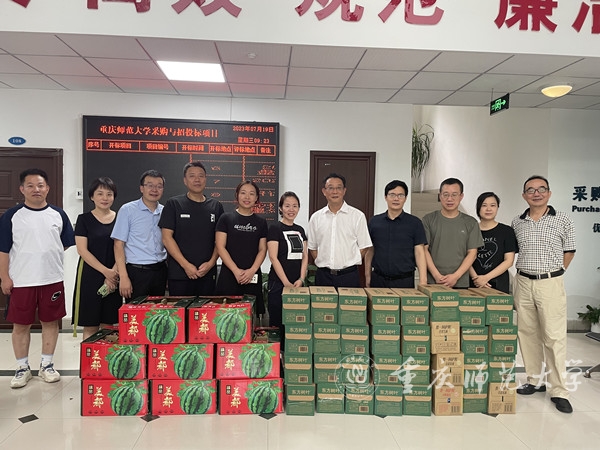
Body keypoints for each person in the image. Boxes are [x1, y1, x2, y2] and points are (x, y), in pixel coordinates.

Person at [0, 168, 75, 388]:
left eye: (40, 185)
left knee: (50, 323)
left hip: (52, 279)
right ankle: (22, 368)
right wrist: (4, 277)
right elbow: (3, 250)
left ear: (47, 188)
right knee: (20, 325)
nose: (36, 189)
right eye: (30, 185)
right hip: (21, 280)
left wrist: (45, 255)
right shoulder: (11, 216)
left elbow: (65, 243)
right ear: (22, 189)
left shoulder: (58, 214)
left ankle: (47, 365)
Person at [512, 175, 576, 414]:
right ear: (524, 195)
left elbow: (570, 250)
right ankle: (534, 380)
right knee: (527, 333)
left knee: (554, 336)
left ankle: (559, 390)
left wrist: (557, 273)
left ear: (549, 193)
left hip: (550, 282)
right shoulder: (517, 222)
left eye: (541, 189)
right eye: (530, 190)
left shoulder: (562, 219)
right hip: (523, 281)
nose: (536, 193)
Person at [159, 161, 224, 296]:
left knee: (205, 309)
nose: (197, 179)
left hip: (207, 273)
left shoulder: (216, 206)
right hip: (180, 273)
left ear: (205, 179)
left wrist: (211, 263)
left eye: (201, 176)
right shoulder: (174, 204)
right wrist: (186, 265)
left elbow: (220, 241)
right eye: (192, 176)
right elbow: (166, 238)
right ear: (185, 180)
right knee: (180, 309)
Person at [72, 177, 121, 340]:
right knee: (90, 324)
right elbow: (82, 250)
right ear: (92, 196)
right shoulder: (83, 219)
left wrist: (113, 272)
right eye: (100, 194)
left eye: (109, 194)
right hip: (90, 274)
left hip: (115, 273)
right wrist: (106, 272)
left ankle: (106, 356)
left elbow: (124, 248)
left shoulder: (121, 218)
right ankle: (90, 356)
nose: (105, 198)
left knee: (109, 324)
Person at [308, 173, 372, 288]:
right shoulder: (316, 217)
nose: (335, 192)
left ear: (344, 191)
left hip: (349, 276)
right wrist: (323, 261)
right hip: (323, 276)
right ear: (324, 191)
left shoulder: (357, 216)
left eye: (338, 188)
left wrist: (351, 260)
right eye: (330, 188)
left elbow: (364, 246)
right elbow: (312, 247)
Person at [111, 170, 167, 302]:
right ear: (142, 188)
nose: (154, 190)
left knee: (158, 311)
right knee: (135, 312)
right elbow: (118, 245)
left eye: (159, 186)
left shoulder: (165, 211)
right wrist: (124, 277)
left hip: (160, 270)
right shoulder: (128, 210)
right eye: (150, 185)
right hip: (137, 272)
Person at [215, 181, 268, 316]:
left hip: (252, 276)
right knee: (226, 315)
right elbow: (220, 247)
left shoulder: (261, 222)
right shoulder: (226, 218)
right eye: (243, 193)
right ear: (237, 195)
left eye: (251, 194)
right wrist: (236, 271)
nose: (247, 197)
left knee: (251, 316)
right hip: (229, 275)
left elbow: (262, 249)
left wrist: (252, 271)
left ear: (256, 198)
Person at [422, 177, 483, 289]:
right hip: (433, 281)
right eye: (445, 195)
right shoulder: (428, 220)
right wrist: (437, 276)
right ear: (440, 196)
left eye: (454, 195)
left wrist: (455, 276)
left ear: (461, 196)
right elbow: (424, 250)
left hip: (460, 282)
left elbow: (472, 253)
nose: (449, 199)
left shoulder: (471, 222)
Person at [365, 180, 427, 288]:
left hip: (404, 281)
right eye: (392, 195)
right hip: (378, 280)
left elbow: (419, 252)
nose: (396, 199)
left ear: (405, 198)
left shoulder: (415, 223)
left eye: (400, 195)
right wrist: (367, 275)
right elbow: (370, 250)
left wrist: (423, 280)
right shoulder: (374, 222)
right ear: (385, 197)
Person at [267, 192, 308, 328]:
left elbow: (305, 256)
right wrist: (285, 282)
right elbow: (273, 257)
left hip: (297, 283)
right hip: (278, 283)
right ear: (280, 208)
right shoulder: (275, 228)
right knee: (277, 322)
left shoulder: (300, 230)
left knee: (295, 322)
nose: (291, 209)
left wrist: (301, 279)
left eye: (295, 206)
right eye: (287, 206)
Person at [468, 192, 517, 294]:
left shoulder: (507, 231)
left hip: (499, 283)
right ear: (478, 208)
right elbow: (465, 257)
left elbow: (509, 261)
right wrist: (476, 278)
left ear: (497, 208)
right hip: (472, 283)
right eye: (484, 205)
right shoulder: (470, 230)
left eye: (493, 205)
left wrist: (486, 278)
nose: (488, 209)